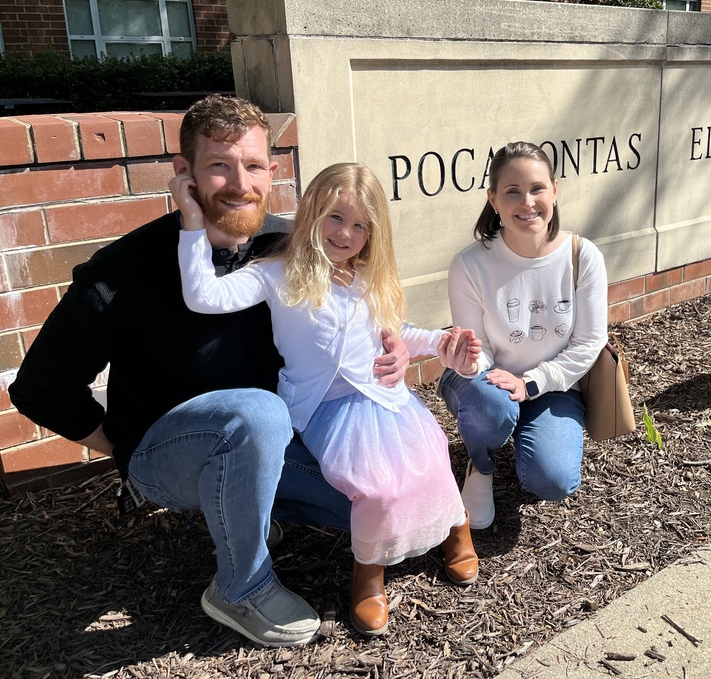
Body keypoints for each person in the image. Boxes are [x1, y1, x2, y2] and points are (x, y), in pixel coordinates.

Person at [9, 95, 413, 647]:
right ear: (185, 173)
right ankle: (240, 587)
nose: (238, 183)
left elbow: (361, 308)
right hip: (171, 453)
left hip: (277, 441)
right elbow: (40, 387)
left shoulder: (289, 245)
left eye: (251, 166)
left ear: (271, 174)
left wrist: (395, 346)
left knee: (380, 508)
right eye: (219, 165)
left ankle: (249, 505)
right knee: (258, 412)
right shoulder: (123, 271)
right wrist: (124, 447)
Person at [170, 161, 482, 637]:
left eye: (360, 225)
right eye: (335, 217)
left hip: (386, 400)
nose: (346, 234)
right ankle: (369, 574)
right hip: (326, 409)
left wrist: (442, 346)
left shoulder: (366, 277)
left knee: (435, 456)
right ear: (312, 211)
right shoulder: (276, 273)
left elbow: (397, 333)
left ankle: (456, 529)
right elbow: (202, 296)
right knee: (375, 486)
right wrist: (192, 221)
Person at [438, 141, 609, 530]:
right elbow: (475, 348)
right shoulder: (469, 265)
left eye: (536, 188)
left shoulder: (583, 256)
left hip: (552, 387)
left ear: (555, 190)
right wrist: (469, 362)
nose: (527, 201)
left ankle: (521, 432)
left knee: (552, 481)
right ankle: (481, 465)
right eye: (512, 191)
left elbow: (588, 343)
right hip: (488, 383)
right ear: (493, 200)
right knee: (493, 407)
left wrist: (532, 383)